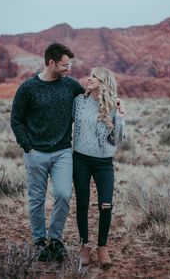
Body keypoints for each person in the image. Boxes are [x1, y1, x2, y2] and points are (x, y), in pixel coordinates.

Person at [10, 42, 85, 262]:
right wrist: (28, 148)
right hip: (36, 153)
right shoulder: (28, 88)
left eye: (69, 64)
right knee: (37, 199)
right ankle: (39, 242)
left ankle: (56, 240)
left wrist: (114, 103)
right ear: (51, 62)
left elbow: (89, 102)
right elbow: (16, 120)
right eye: (64, 64)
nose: (68, 68)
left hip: (62, 151)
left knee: (63, 194)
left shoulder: (70, 86)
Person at [72, 67, 126, 268]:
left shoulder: (113, 105)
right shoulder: (79, 102)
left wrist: (119, 116)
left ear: (104, 82)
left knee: (106, 204)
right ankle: (84, 245)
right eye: (90, 74)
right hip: (80, 160)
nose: (89, 78)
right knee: (83, 203)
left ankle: (102, 247)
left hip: (104, 162)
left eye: (95, 76)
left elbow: (117, 139)